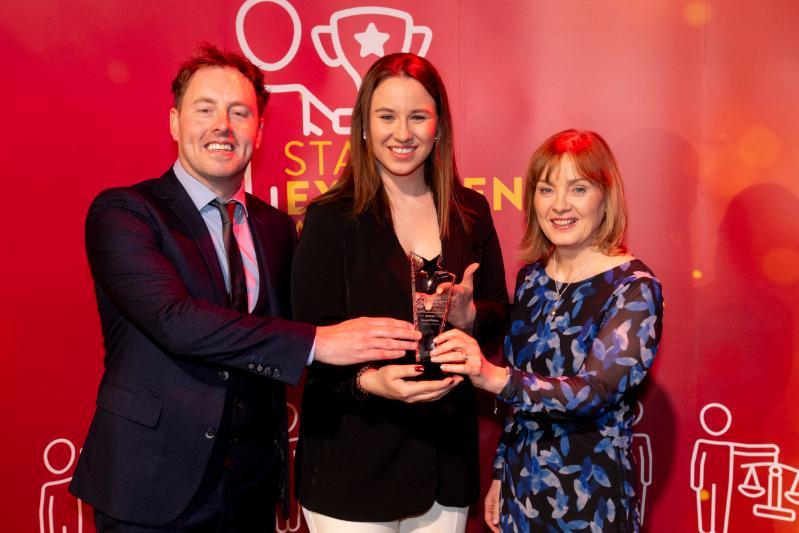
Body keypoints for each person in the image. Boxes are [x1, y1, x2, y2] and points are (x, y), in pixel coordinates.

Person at [69, 45, 421, 533]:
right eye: (205, 109)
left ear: (260, 129)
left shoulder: (277, 228)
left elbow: (307, 317)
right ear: (174, 122)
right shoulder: (125, 213)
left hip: (252, 486)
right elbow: (177, 321)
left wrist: (410, 336)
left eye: (240, 112)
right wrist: (320, 342)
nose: (223, 126)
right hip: (149, 482)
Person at [290, 53, 509, 532]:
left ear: (439, 125)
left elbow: (500, 313)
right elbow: (305, 342)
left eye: (418, 116)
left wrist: (471, 319)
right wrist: (370, 381)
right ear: (364, 126)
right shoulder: (331, 219)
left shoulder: (469, 211)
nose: (402, 133)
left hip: (444, 464)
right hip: (352, 464)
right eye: (386, 116)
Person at [431, 129, 664, 532]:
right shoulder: (531, 280)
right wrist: (502, 474)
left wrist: (490, 375)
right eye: (545, 189)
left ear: (605, 197)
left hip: (592, 500)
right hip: (522, 492)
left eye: (578, 189)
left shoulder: (634, 287)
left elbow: (595, 392)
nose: (559, 205)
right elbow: (523, 403)